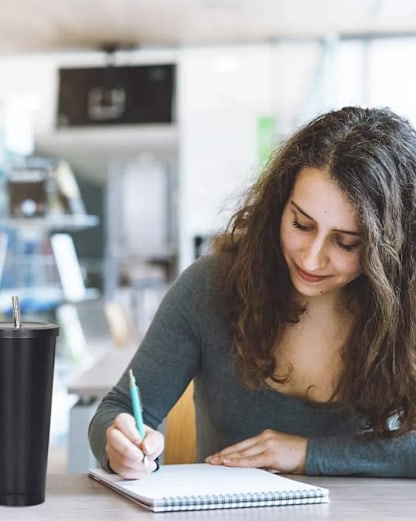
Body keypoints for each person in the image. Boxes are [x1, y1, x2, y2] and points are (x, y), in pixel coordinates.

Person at [88, 105, 416, 480]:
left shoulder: (407, 307)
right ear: (279, 206)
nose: (311, 258)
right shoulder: (212, 288)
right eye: (301, 224)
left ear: (392, 250)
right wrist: (122, 447)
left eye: (345, 243)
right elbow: (116, 411)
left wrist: (305, 453)